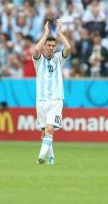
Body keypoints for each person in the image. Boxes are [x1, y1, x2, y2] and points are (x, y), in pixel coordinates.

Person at [33, 19, 70, 165]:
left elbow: (67, 48)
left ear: (55, 48)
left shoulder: (58, 59)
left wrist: (59, 32)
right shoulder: (38, 60)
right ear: (44, 47)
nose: (50, 47)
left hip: (55, 100)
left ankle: (41, 157)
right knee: (44, 132)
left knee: (49, 129)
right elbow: (36, 50)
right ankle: (51, 158)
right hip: (41, 100)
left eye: (53, 45)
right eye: (48, 45)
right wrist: (46, 33)